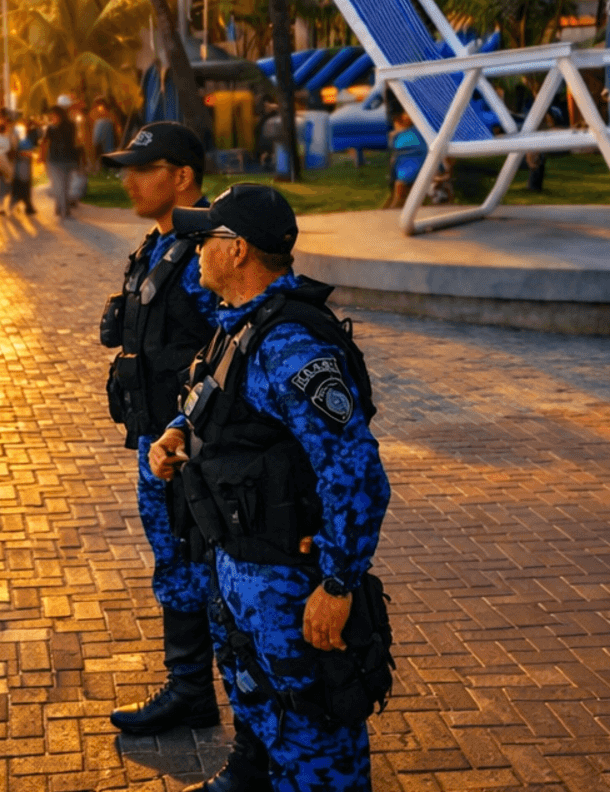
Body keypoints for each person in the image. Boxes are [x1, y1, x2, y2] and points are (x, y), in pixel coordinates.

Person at [150, 183, 391, 792]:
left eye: (206, 238)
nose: (196, 250)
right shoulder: (240, 326)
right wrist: (178, 433)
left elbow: (355, 471)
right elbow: (225, 408)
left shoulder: (291, 344)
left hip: (289, 583)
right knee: (265, 723)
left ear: (237, 251)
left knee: (317, 746)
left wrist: (338, 584)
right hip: (239, 571)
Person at [97, 123, 267, 784]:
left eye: (145, 167)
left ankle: (251, 738)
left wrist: (191, 432)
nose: (129, 179)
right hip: (157, 446)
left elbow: (229, 346)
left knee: (215, 583)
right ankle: (190, 691)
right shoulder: (158, 246)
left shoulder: (205, 254)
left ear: (184, 177)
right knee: (175, 570)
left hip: (194, 455)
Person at [383, 106, 426, 210]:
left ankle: (397, 204)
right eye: (404, 113)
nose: (405, 116)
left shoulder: (418, 132)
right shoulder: (401, 133)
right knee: (399, 185)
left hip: (415, 162)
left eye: (407, 114)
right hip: (406, 163)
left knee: (400, 185)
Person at [44, 106, 82, 218]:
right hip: (67, 160)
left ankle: (63, 209)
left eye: (52, 115)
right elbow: (77, 141)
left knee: (60, 186)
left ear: (57, 115)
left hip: (57, 160)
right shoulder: (72, 125)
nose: (51, 117)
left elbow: (45, 143)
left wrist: (42, 158)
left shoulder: (52, 128)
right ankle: (61, 207)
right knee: (63, 185)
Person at [11, 116, 39, 215]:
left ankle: (25, 204)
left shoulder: (19, 134)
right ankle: (27, 205)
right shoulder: (20, 135)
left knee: (22, 183)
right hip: (22, 162)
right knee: (24, 183)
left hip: (22, 162)